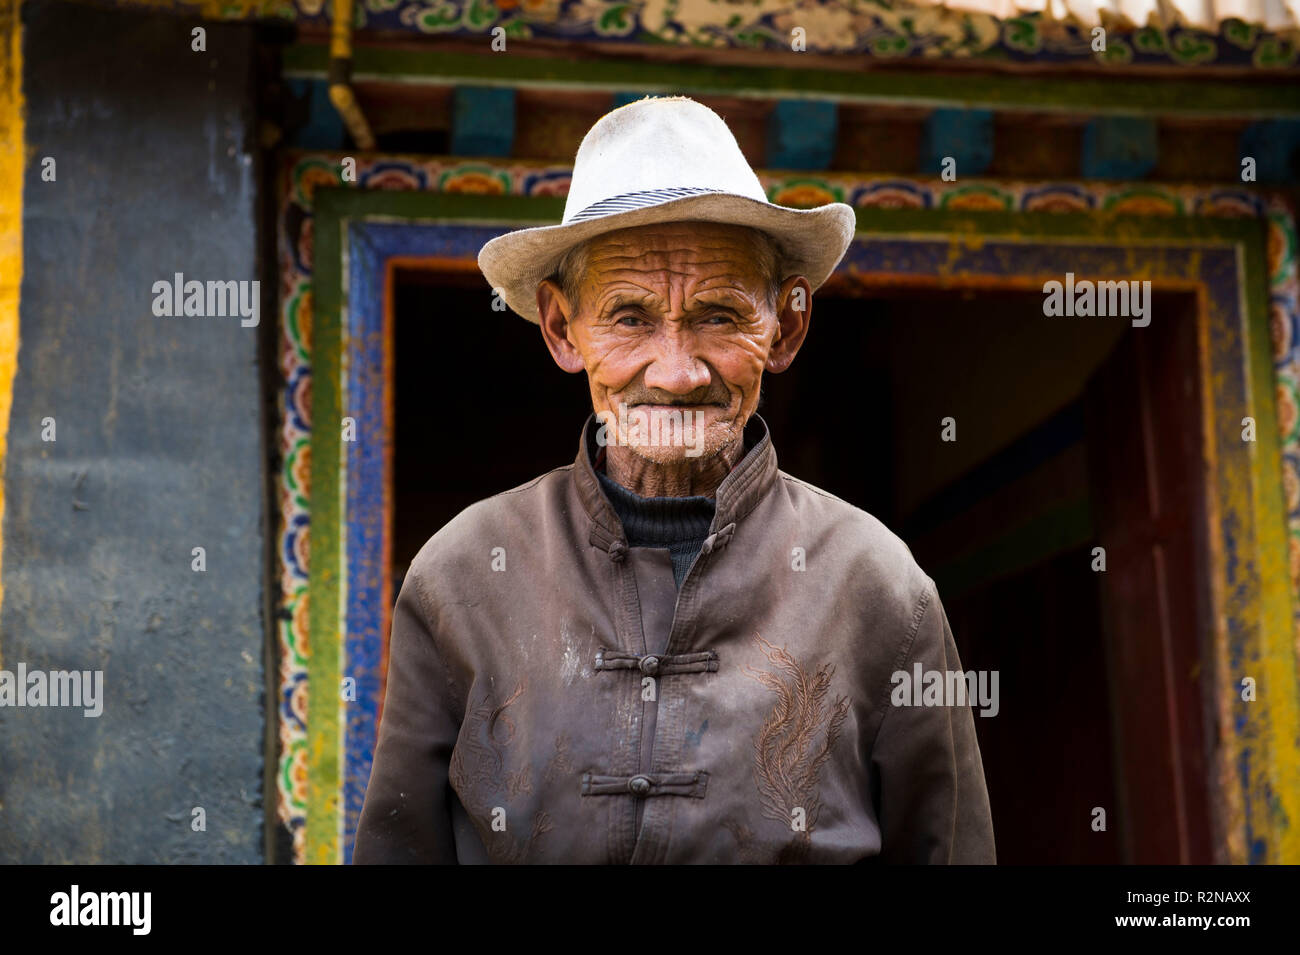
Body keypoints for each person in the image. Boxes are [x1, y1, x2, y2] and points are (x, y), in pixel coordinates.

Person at [352, 95, 995, 864]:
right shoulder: (459, 577)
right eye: (629, 318)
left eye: (721, 315)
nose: (678, 371)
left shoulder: (881, 589)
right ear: (563, 328)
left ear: (784, 326)